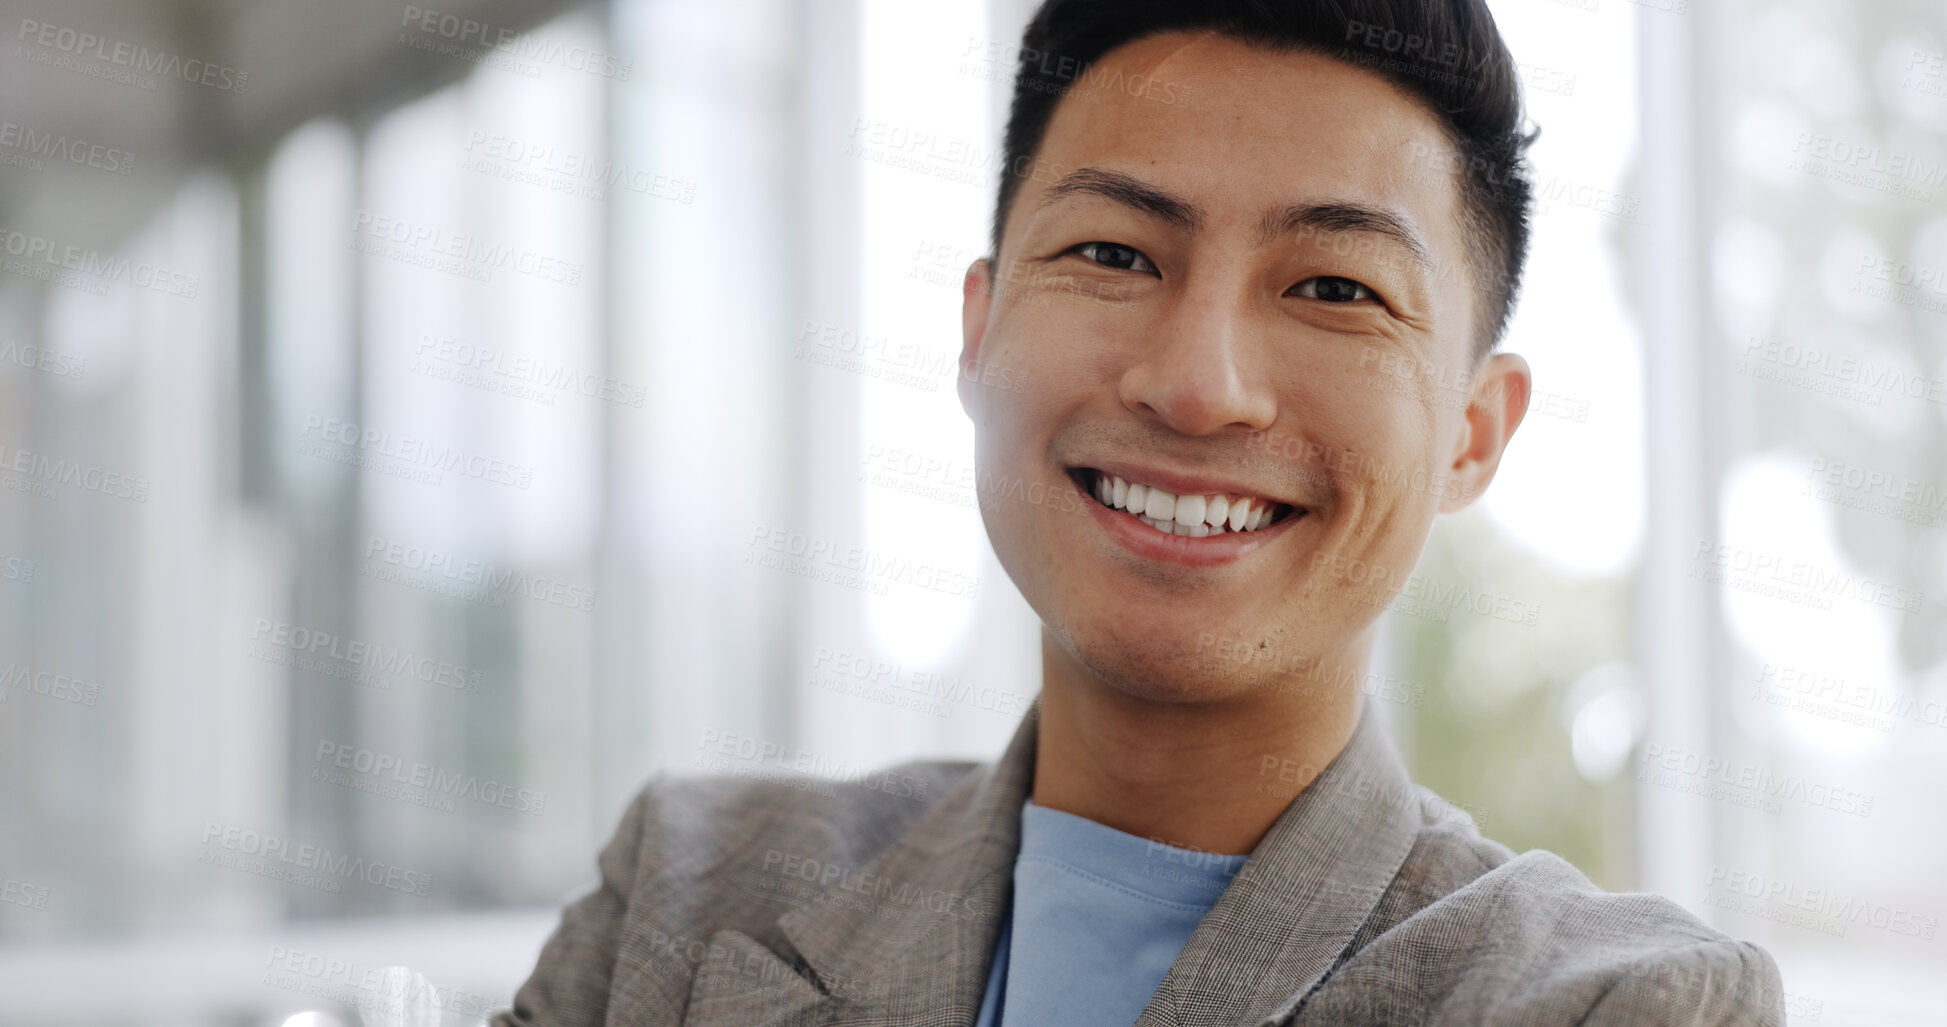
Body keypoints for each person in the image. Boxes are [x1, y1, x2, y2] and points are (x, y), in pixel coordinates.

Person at [496, 1, 1784, 1023]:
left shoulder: (1612, 1005)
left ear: (1471, 434)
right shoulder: (689, 886)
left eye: (1336, 287)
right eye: (1114, 254)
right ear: (979, 328)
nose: (1196, 385)